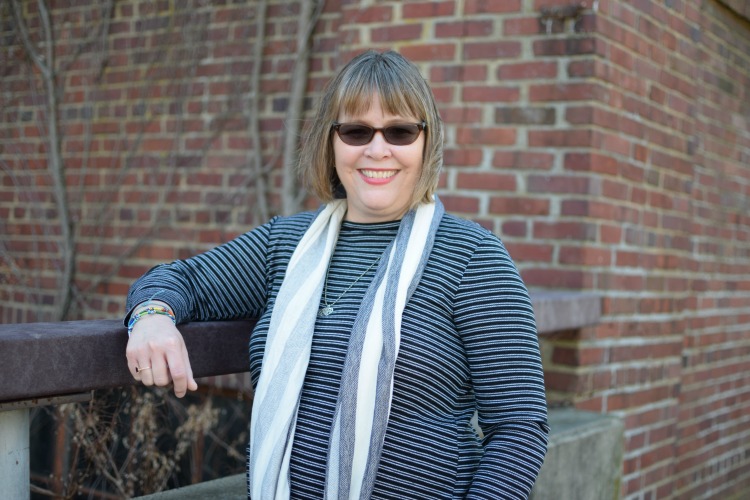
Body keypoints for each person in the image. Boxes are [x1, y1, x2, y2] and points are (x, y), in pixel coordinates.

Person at [124, 50, 549, 499]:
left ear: (427, 143)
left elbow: (519, 430)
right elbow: (179, 280)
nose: (377, 148)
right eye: (356, 130)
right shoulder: (284, 245)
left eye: (401, 131)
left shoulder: (473, 256)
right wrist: (152, 316)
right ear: (332, 141)